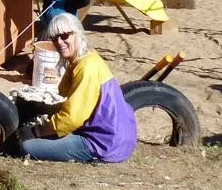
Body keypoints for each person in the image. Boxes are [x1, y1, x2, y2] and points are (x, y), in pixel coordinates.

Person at [17, 12, 137, 164]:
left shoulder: (86, 67)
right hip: (117, 135)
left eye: (65, 35)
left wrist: (36, 131)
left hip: (103, 143)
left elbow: (72, 118)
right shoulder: (84, 59)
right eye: (55, 38)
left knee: (27, 147)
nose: (59, 42)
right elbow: (64, 99)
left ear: (78, 34)